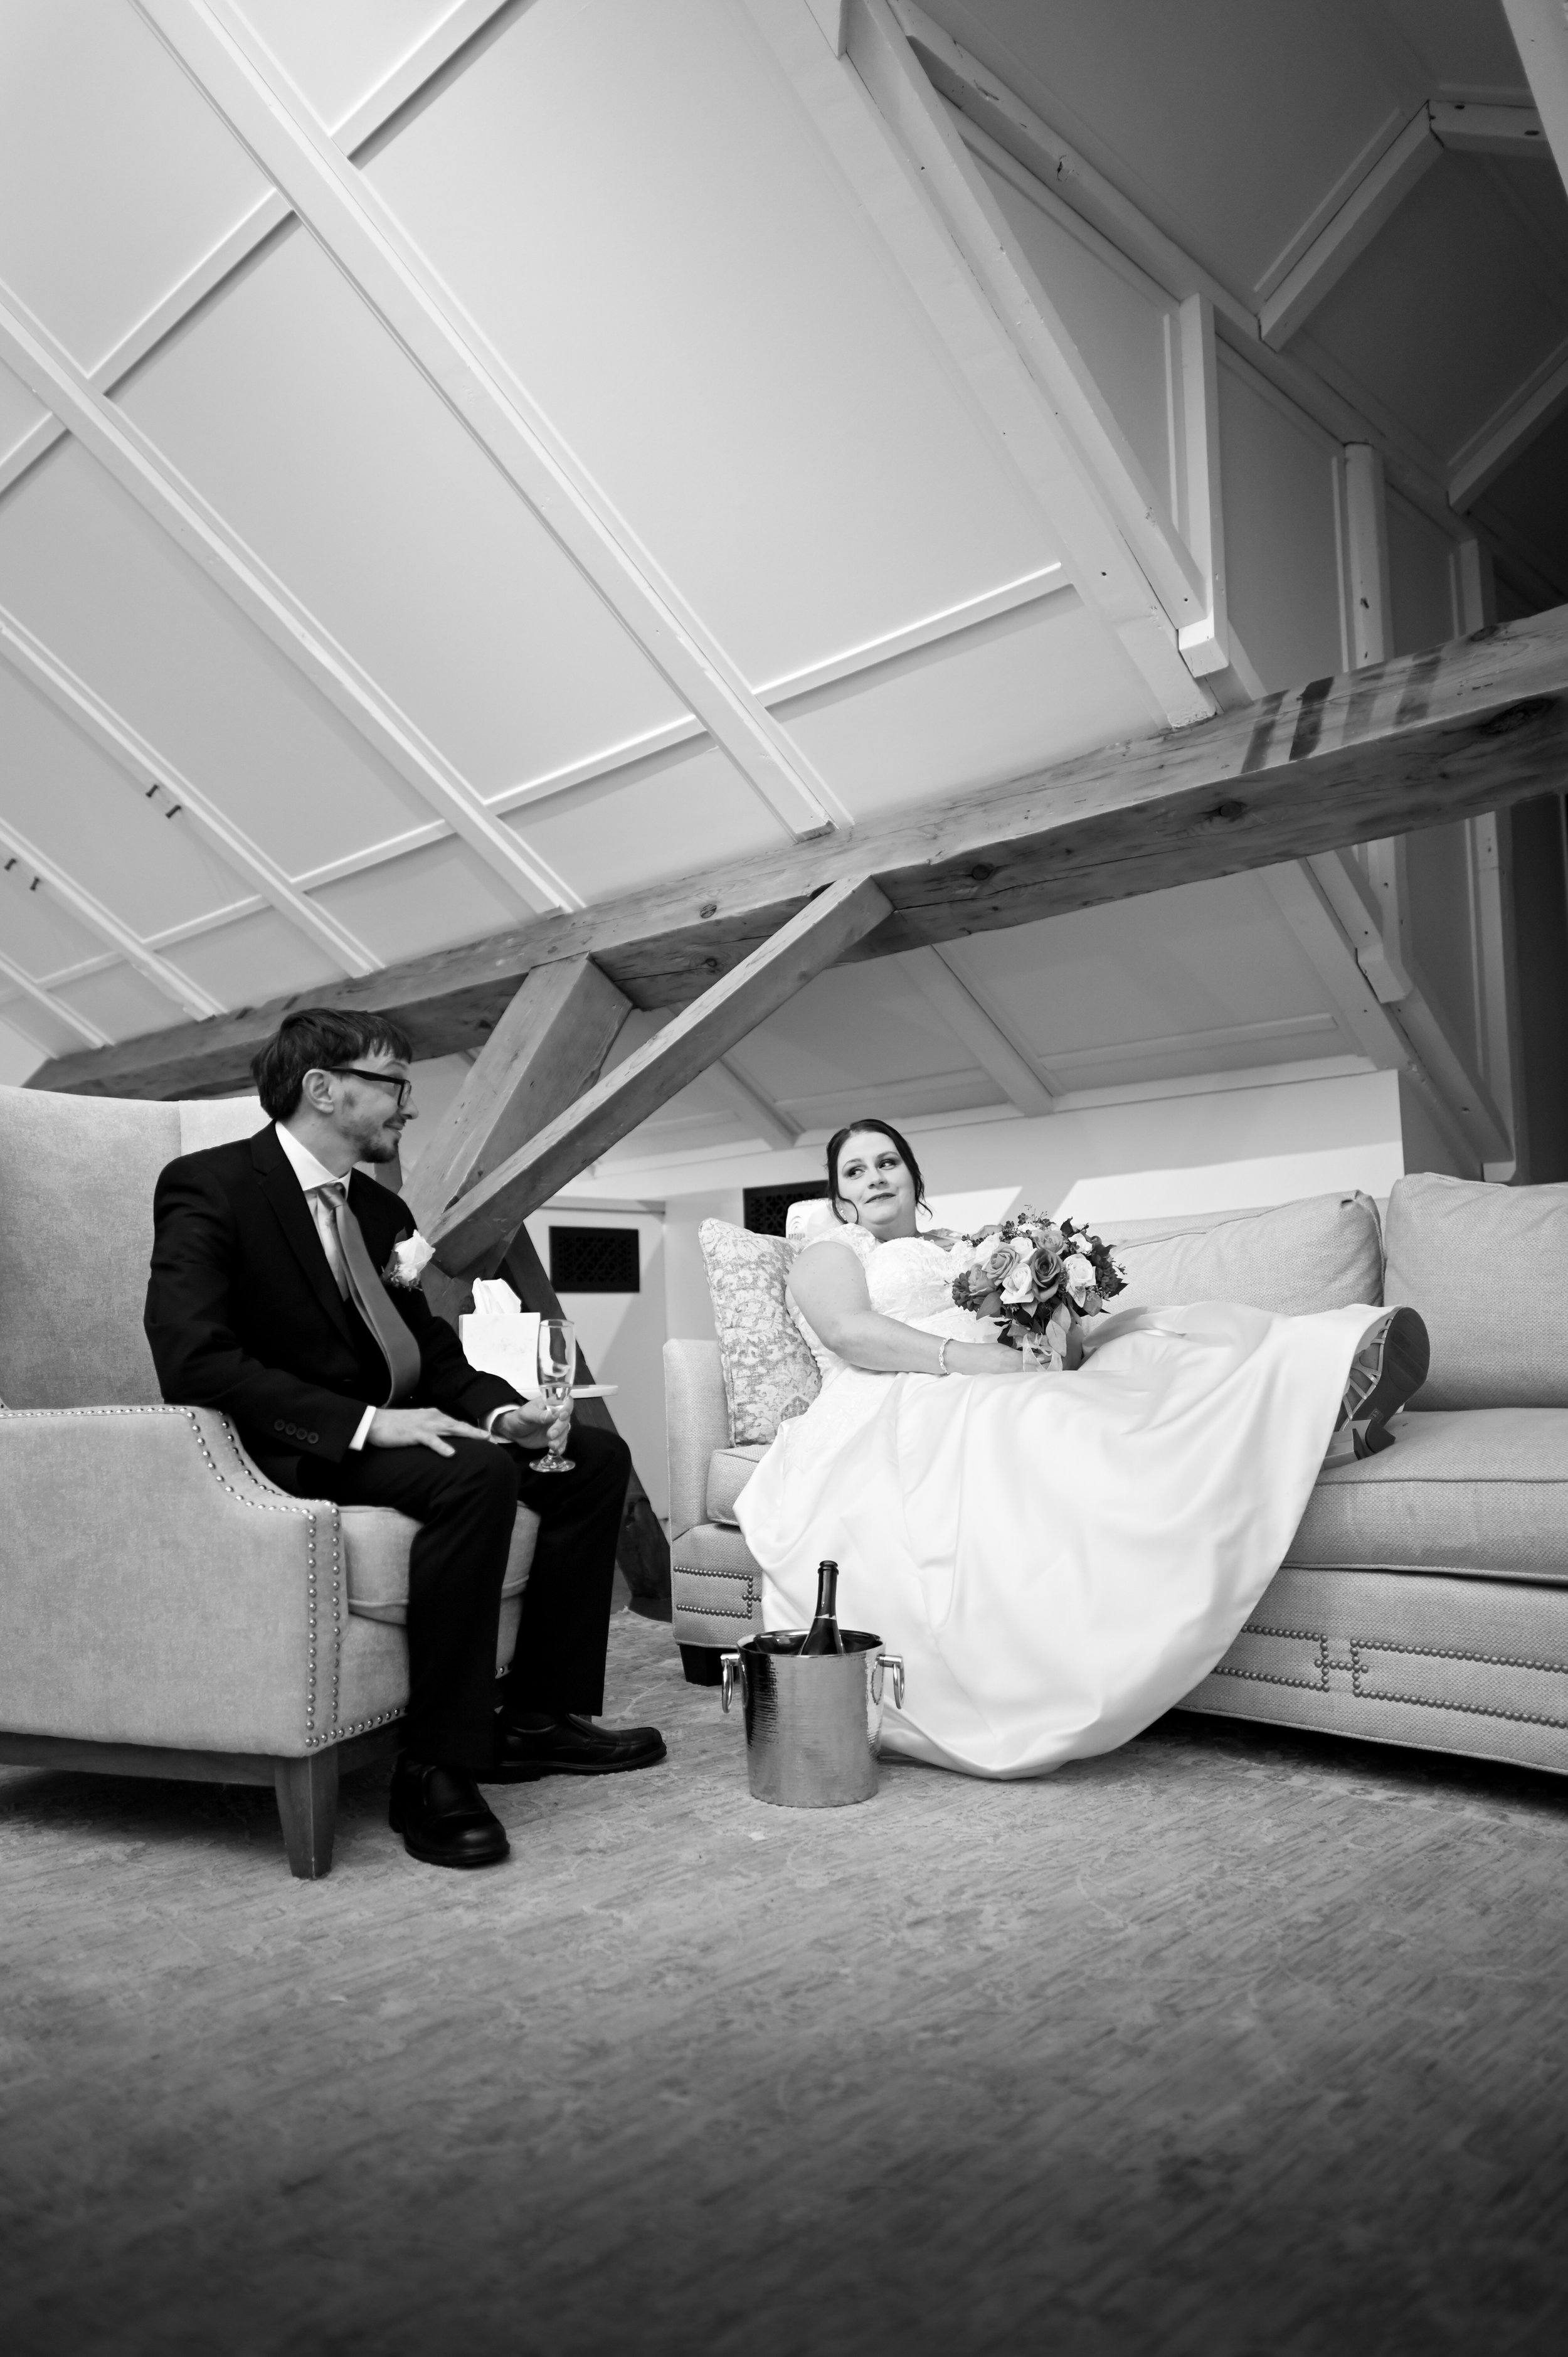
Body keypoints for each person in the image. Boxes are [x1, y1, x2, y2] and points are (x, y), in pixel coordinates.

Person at [735, 1119, 1428, 1780]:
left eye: (888, 1162)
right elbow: (850, 1332)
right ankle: (1291, 1437)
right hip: (903, 1387)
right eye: (855, 1171)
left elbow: (1022, 1330)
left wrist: (1052, 1308)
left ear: (915, 1177)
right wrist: (968, 1361)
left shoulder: (966, 1249)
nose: (875, 1177)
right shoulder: (835, 1252)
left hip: (1001, 1370)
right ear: (840, 1198)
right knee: (1054, 1420)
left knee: (1146, 1349)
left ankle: (1310, 1395)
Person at [144, 1008, 665, 1870]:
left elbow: (426, 1347)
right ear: (323, 1088)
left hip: (401, 1428)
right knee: (475, 1475)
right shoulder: (212, 1184)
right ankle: (434, 1765)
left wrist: (503, 1414)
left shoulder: (379, 1207)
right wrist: (366, 1423)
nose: (408, 1104)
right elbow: (192, 1359)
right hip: (290, 1447)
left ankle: (536, 1718)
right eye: (393, 1083)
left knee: (589, 1458)